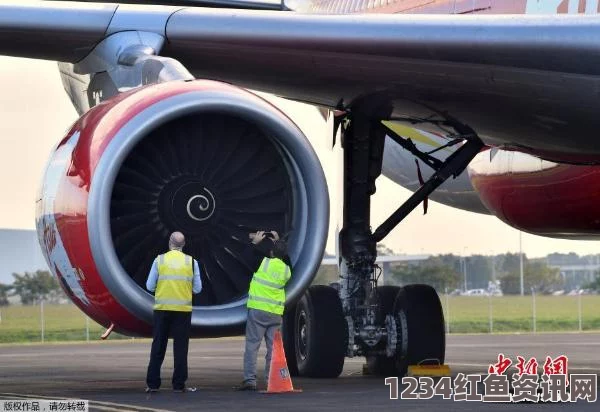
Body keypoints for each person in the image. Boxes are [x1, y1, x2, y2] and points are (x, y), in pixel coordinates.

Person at [145, 231, 202, 393]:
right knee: (181, 348)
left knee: (158, 347)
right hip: (182, 311)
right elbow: (198, 289)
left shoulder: (160, 260)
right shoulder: (191, 262)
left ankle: (153, 384)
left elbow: (149, 286)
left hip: (162, 310)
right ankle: (178, 384)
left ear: (169, 243)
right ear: (184, 245)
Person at [236, 231, 292, 391]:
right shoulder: (286, 271)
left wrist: (255, 242)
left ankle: (250, 380)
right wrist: (279, 241)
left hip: (258, 312)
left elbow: (245, 257)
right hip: (275, 313)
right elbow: (287, 261)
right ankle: (271, 380)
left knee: (252, 346)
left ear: (272, 252)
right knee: (273, 349)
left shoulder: (264, 263)